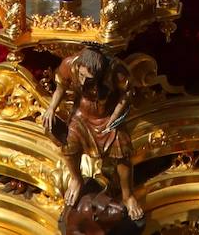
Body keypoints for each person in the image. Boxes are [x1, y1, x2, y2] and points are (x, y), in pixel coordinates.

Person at [42, 46, 143, 221]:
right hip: (81, 115)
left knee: (122, 150)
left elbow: (126, 96)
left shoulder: (116, 71)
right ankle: (76, 179)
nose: (82, 82)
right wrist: (51, 108)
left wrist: (114, 118)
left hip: (106, 116)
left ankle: (128, 195)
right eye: (81, 76)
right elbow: (60, 88)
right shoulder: (69, 64)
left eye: (88, 79)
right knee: (69, 143)